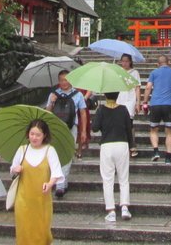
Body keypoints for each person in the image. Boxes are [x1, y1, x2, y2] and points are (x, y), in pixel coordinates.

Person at [10, 118, 64, 245]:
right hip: (23, 199)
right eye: (32, 134)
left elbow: (56, 172)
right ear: (28, 134)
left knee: (42, 231)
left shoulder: (50, 150)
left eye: (38, 135)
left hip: (42, 200)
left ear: (44, 135)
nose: (34, 137)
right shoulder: (22, 150)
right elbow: (12, 168)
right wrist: (16, 169)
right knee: (24, 231)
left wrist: (50, 183)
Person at [91, 91, 134, 222]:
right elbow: (129, 128)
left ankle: (111, 210)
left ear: (105, 95)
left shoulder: (101, 109)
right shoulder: (123, 109)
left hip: (107, 145)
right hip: (122, 144)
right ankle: (125, 207)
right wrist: (132, 145)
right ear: (118, 95)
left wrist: (98, 112)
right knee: (123, 178)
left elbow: (94, 127)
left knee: (108, 179)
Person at [45, 70, 88, 196]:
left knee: (68, 153)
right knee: (57, 154)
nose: (64, 82)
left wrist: (83, 130)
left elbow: (83, 113)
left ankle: (60, 184)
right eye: (62, 80)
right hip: (55, 128)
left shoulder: (78, 94)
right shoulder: (53, 94)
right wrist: (52, 102)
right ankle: (62, 182)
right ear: (58, 81)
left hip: (71, 127)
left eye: (66, 79)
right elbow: (47, 112)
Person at [142, 55, 171, 163]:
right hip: (169, 105)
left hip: (155, 104)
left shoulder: (154, 73)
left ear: (157, 64)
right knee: (169, 131)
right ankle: (168, 157)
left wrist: (145, 101)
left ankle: (156, 151)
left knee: (153, 129)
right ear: (168, 62)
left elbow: (148, 87)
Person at [115, 54, 142, 125]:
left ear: (130, 62)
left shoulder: (135, 73)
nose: (124, 63)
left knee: (129, 121)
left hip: (131, 98)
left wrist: (138, 102)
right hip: (120, 98)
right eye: (123, 61)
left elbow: (137, 88)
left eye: (126, 61)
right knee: (119, 121)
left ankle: (129, 135)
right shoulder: (118, 72)